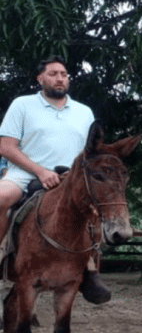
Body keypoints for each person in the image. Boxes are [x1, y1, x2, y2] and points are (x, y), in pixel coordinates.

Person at [0, 55, 110, 304]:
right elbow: (6, 147)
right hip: (25, 174)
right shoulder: (22, 105)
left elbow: (91, 152)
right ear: (40, 79)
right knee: (1, 198)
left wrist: (78, 175)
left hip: (71, 178)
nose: (60, 78)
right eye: (53, 74)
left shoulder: (84, 112)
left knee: (103, 207)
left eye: (63, 74)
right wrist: (40, 172)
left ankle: (90, 269)